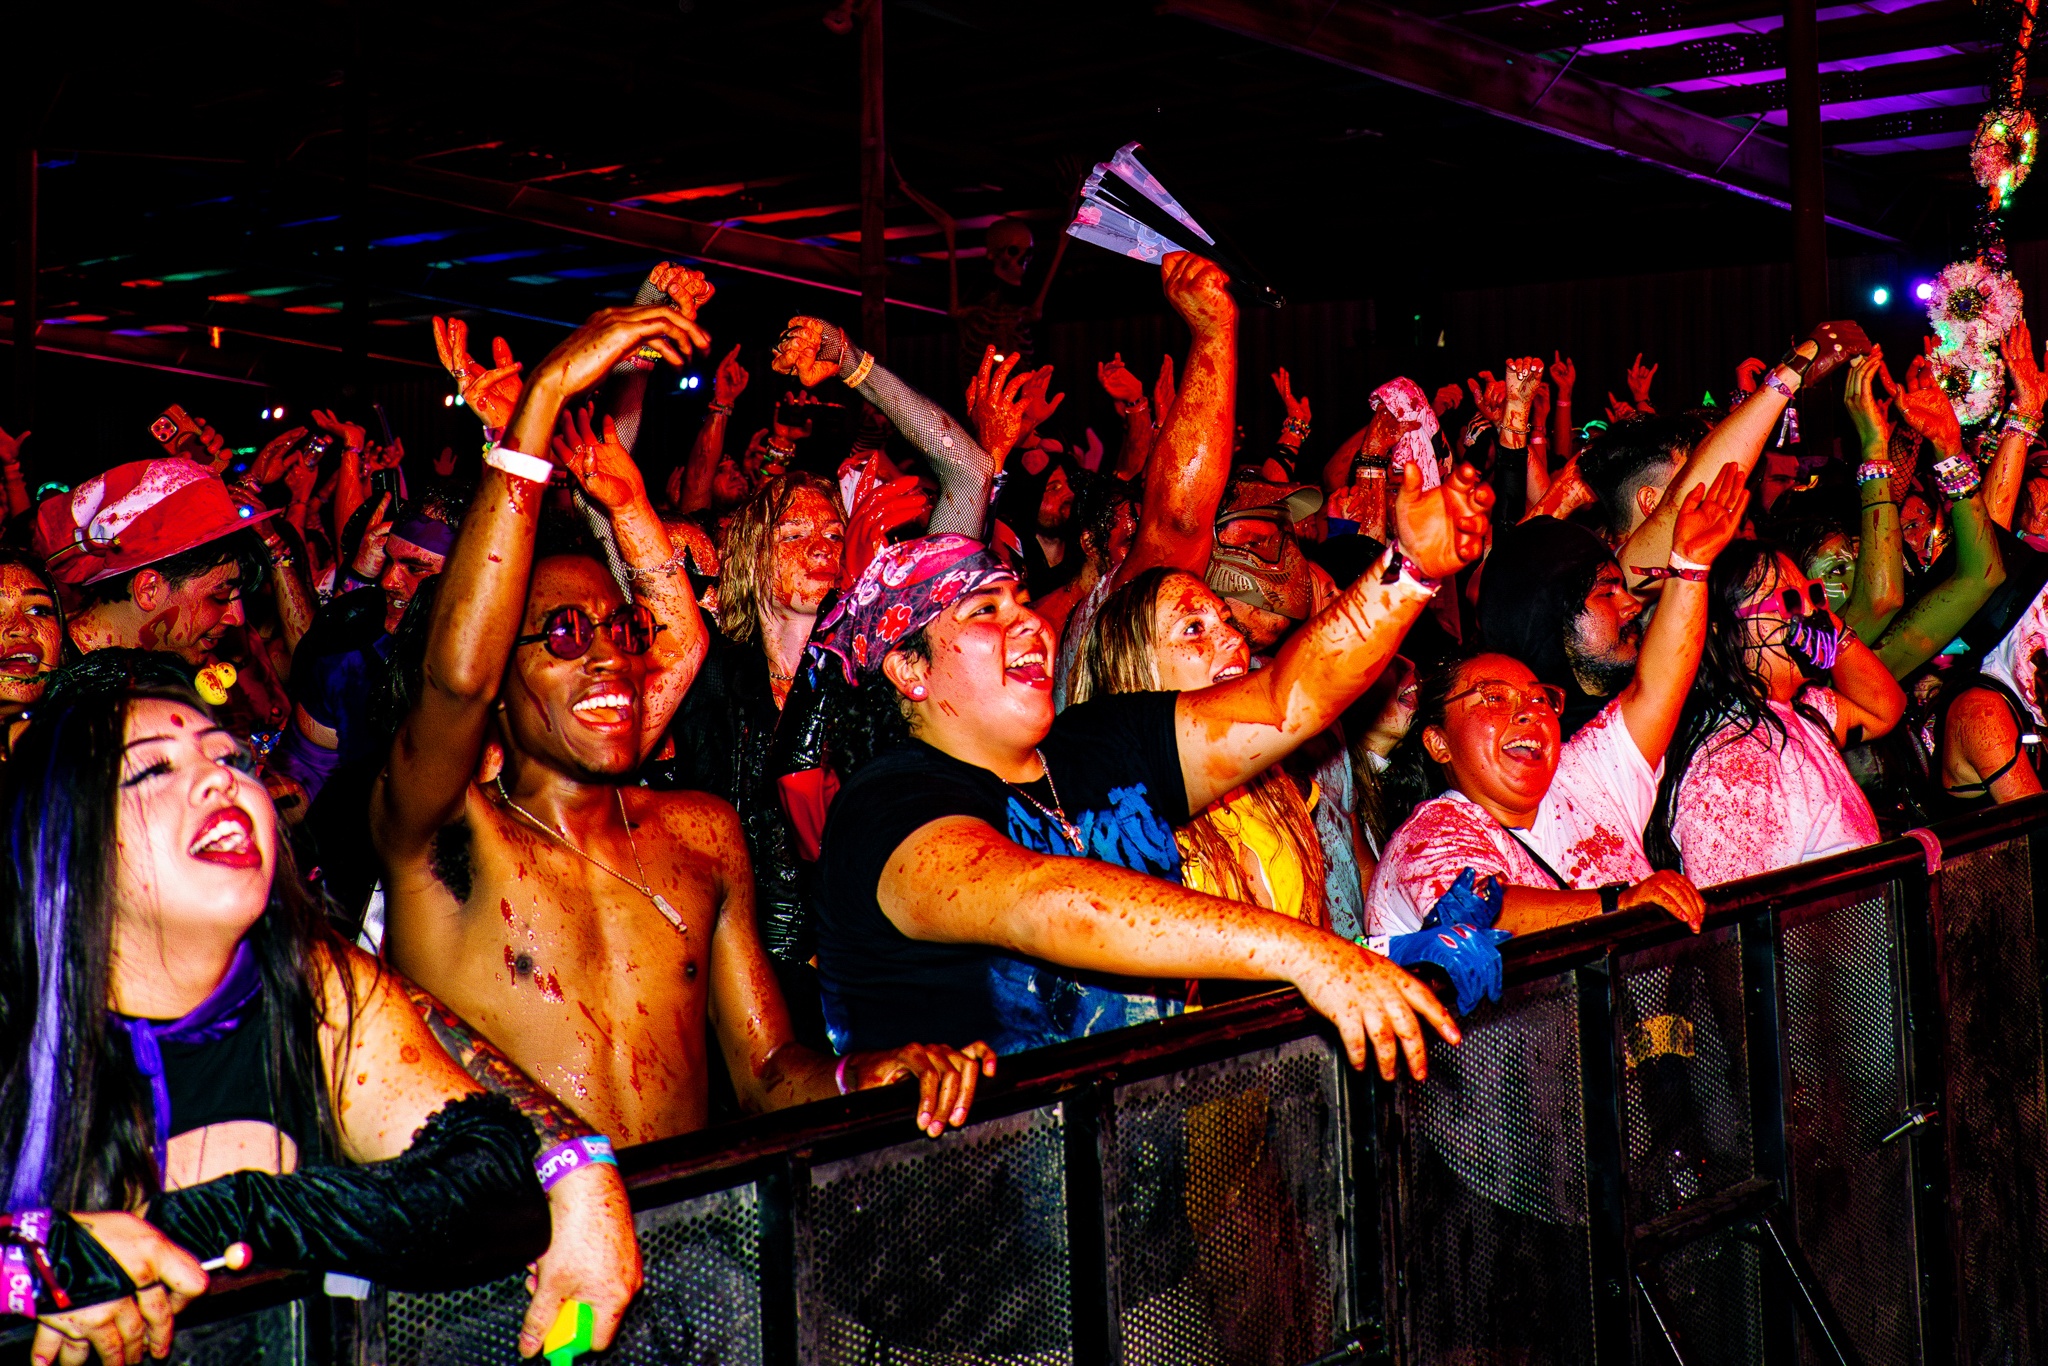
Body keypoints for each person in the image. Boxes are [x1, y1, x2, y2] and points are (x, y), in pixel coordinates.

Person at [374, 300, 992, 1150]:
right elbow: (457, 679)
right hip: (532, 1231)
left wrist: (867, 1077)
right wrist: (541, 405)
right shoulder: (448, 834)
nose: (607, 657)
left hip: (698, 1213)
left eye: (621, 634)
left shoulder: (701, 835)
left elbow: (768, 1071)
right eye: (564, 635)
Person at [0, 678, 643, 1365]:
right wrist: (27, 1263)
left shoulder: (317, 988)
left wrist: (220, 1217)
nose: (220, 780)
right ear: (63, 841)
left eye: (230, 758)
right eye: (154, 770)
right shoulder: (14, 1022)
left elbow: (486, 1185)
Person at [812, 450, 1495, 1076]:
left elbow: (1287, 697)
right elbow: (1043, 903)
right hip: (997, 1164)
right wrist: (1308, 956)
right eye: (984, 610)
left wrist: (1408, 573)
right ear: (909, 668)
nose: (1029, 621)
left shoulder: (1098, 744)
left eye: (1020, 599)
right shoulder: (887, 804)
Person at [1365, 465, 1751, 939]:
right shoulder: (1429, 837)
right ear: (1438, 742)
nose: (1528, 711)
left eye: (1539, 699)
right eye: (1494, 698)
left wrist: (1690, 566)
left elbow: (1658, 688)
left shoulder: (1583, 780)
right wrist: (1618, 904)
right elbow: (1477, 909)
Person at [1071, 566, 1327, 932]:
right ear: (1137, 671)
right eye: (1193, 628)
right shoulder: (1123, 828)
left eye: (1226, 620)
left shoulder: (1270, 787)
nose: (1233, 638)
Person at [1645, 541, 1906, 885]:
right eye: (1789, 601)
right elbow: (1740, 911)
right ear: (1723, 630)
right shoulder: (1733, 772)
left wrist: (1830, 627)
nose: (1809, 613)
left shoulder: (1797, 712)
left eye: (1814, 596)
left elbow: (1884, 709)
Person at [34, 459, 272, 668]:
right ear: (149, 589)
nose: (237, 617)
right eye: (219, 596)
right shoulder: (46, 681)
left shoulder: (168, 672)